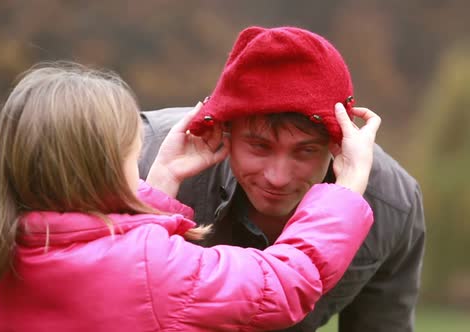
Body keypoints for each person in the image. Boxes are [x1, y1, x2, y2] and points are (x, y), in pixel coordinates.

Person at [0, 62, 381, 331]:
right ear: (104, 166)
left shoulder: (11, 260)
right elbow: (282, 283)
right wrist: (343, 193)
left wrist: (160, 183)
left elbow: (110, 266)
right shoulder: (150, 269)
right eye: (135, 154)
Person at [139, 27, 425, 332]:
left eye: (305, 151)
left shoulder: (392, 203)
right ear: (226, 129)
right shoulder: (139, 159)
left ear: (337, 144)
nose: (278, 177)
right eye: (259, 146)